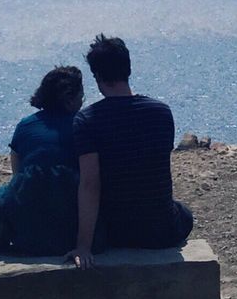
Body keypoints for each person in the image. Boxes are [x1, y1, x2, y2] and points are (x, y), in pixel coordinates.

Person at [66, 34, 193, 269]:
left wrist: (83, 245)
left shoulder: (87, 120)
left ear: (97, 77)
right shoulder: (161, 112)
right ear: (128, 69)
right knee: (185, 213)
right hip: (161, 231)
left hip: (115, 232)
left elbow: (90, 184)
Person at [0, 64, 83, 259]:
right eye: (81, 95)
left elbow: (17, 175)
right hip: (72, 229)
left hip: (27, 233)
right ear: (70, 99)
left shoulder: (25, 126)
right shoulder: (82, 125)